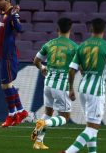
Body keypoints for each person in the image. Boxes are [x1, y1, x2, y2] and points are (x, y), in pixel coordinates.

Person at [60, 18, 106, 153]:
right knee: (93, 128)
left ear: (91, 29)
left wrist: (71, 89)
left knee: (90, 125)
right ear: (104, 30)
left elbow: (72, 70)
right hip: (96, 92)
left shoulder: (82, 46)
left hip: (83, 89)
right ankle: (69, 152)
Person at [31, 18, 78, 150]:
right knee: (65, 116)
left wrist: (42, 68)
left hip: (48, 84)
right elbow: (77, 68)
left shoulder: (49, 44)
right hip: (61, 86)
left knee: (48, 111)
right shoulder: (75, 47)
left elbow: (36, 60)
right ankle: (43, 123)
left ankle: (38, 142)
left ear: (57, 29)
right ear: (70, 29)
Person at [0, 0, 28, 128]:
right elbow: (2, 28)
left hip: (8, 56)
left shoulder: (12, 13)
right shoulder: (2, 14)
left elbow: (20, 29)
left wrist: (15, 15)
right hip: (0, 54)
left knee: (5, 85)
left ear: (8, 0)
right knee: (8, 85)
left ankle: (12, 114)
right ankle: (21, 112)